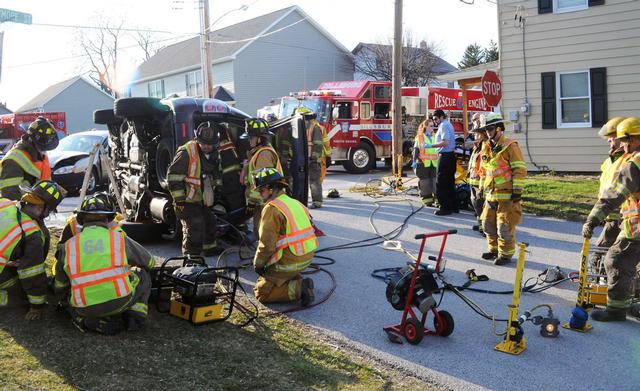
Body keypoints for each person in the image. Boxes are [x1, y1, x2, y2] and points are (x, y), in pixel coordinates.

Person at [54, 194, 155, 334]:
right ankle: (134, 317)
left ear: (82, 220)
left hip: (83, 307)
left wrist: (64, 301)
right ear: (108, 219)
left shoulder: (67, 246)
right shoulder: (119, 239)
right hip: (120, 301)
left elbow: (60, 284)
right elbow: (150, 261)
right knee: (142, 273)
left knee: (67, 291)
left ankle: (84, 319)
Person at [582, 117, 640, 322]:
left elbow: (614, 194)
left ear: (633, 139)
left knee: (616, 259)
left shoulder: (635, 163)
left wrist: (592, 219)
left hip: (636, 228)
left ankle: (616, 310)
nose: (621, 144)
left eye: (623, 140)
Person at [0, 180, 65, 320]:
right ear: (42, 208)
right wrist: (37, 306)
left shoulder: (5, 203)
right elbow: (31, 273)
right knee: (24, 292)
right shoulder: (31, 233)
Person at [252, 167, 317, 306]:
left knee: (262, 292)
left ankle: (299, 289)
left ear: (271, 189)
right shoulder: (294, 202)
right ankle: (295, 279)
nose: (260, 195)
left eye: (261, 190)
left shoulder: (272, 208)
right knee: (272, 279)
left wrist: (258, 264)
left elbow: (266, 245)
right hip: (307, 257)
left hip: (290, 262)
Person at [167, 122, 224, 257]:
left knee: (210, 222)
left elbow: (217, 174)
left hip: (202, 199)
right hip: (187, 200)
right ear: (197, 139)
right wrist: (179, 200)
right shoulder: (186, 152)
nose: (205, 146)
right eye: (202, 143)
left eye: (209, 144)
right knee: (194, 226)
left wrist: (217, 194)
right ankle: (191, 257)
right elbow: (173, 177)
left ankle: (209, 248)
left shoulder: (215, 154)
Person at [479, 113, 527, 265]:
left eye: (490, 128)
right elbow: (483, 170)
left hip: (507, 196)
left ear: (499, 128)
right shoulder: (486, 147)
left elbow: (519, 169)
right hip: (491, 195)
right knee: (487, 224)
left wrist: (517, 192)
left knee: (504, 226)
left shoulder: (510, 146)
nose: (487, 132)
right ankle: (493, 250)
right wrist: (481, 189)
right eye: (485, 129)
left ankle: (505, 255)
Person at [0, 116, 59, 200]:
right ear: (32, 140)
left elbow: (44, 182)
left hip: (38, 209)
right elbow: (10, 194)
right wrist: (29, 208)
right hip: (23, 209)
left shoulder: (41, 155)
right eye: (42, 147)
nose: (43, 151)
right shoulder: (13, 159)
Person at [241, 118, 283, 235]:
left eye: (251, 137)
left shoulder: (264, 154)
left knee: (263, 233)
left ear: (260, 138)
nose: (249, 140)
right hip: (263, 201)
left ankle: (265, 253)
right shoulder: (258, 152)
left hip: (265, 202)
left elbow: (262, 183)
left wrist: (252, 202)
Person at [595, 117, 628, 248]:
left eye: (612, 136)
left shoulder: (629, 161)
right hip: (610, 216)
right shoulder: (610, 161)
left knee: (602, 257)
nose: (608, 140)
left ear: (622, 137)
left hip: (622, 218)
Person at [296, 107, 325, 209]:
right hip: (303, 159)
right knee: (302, 181)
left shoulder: (315, 127)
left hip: (312, 159)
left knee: (314, 181)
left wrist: (314, 158)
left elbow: (318, 144)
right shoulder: (302, 127)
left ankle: (317, 202)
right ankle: (301, 201)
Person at [430, 109, 458, 215]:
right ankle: (453, 206)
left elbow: (445, 142)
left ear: (441, 117)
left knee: (441, 183)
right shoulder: (448, 124)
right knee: (450, 182)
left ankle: (445, 207)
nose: (435, 121)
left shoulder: (443, 125)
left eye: (436, 119)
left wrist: (431, 145)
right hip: (450, 156)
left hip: (445, 157)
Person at [468, 116, 487, 234]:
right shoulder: (477, 147)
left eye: (477, 134)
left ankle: (487, 228)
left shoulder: (486, 146)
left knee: (482, 204)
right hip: (473, 180)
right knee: (476, 204)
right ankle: (481, 225)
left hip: (481, 181)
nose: (475, 136)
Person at [412, 119, 438, 206]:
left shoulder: (435, 136)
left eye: (433, 125)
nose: (432, 127)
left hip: (434, 163)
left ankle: (437, 200)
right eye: (431, 126)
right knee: (425, 183)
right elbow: (416, 150)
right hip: (423, 163)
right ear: (425, 127)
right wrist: (414, 161)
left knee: (435, 182)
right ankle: (428, 200)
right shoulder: (420, 137)